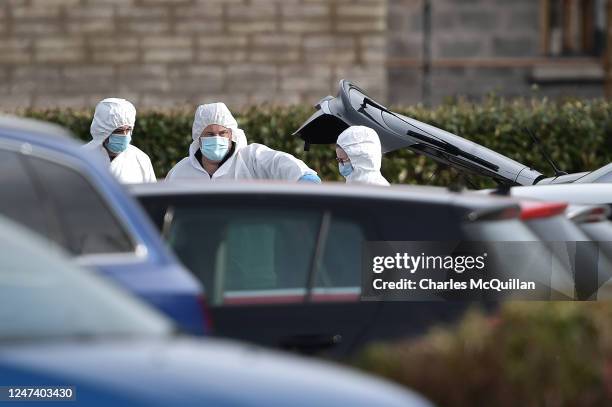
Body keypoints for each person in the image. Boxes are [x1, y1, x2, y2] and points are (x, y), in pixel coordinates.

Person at [166, 102, 320, 183]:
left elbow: (280, 162)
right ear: (198, 138)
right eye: (210, 134)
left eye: (222, 133)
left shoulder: (250, 159)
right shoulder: (180, 172)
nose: (217, 138)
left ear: (231, 134)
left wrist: (305, 178)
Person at [83, 98, 156, 184]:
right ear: (103, 132)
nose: (125, 135)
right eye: (119, 131)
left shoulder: (140, 159)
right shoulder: (82, 157)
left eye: (128, 129)